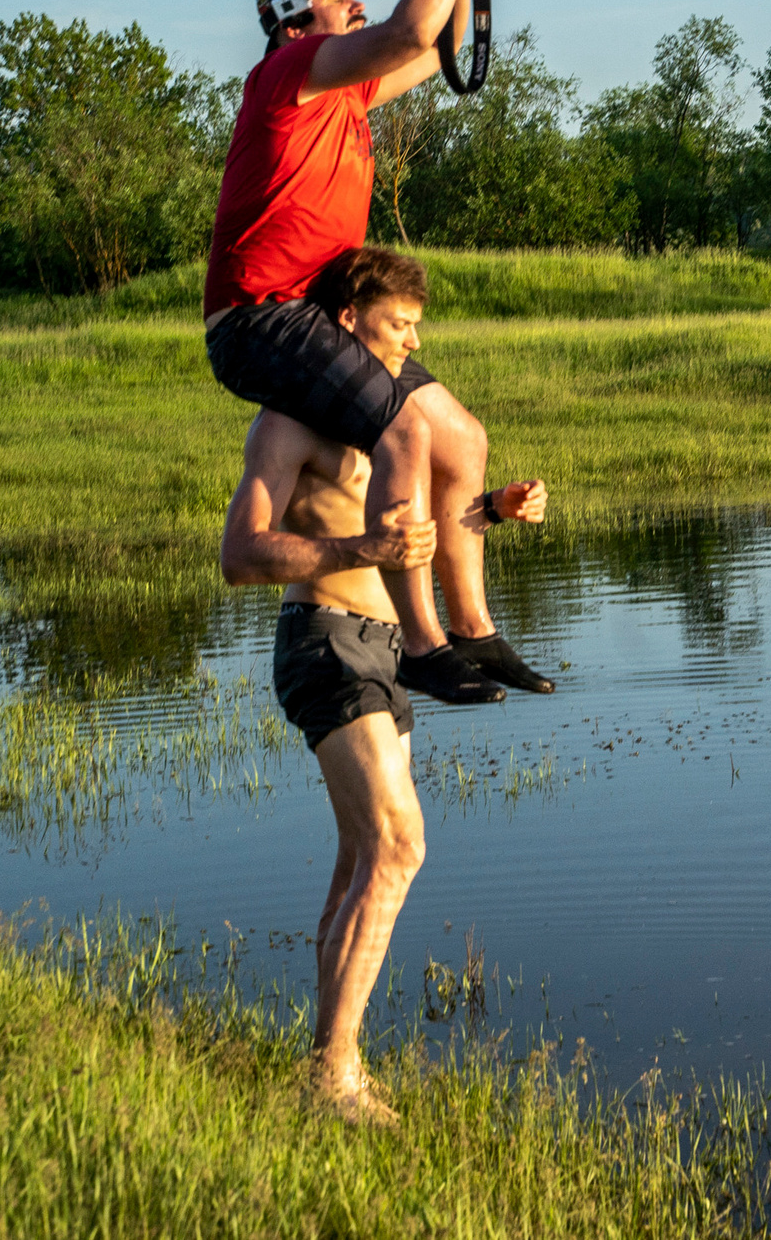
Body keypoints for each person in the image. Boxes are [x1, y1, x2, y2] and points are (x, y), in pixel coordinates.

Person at [219, 247, 548, 1124]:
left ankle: (323, 1066)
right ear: (345, 323)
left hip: (385, 645)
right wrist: (354, 551)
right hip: (323, 638)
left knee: (364, 855)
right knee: (400, 846)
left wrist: (495, 511)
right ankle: (334, 1077)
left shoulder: (395, 428)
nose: (410, 343)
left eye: (415, 328)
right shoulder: (287, 425)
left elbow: (426, 529)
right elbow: (239, 553)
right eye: (397, 324)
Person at [204, 0, 548, 700]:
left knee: (460, 440)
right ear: (295, 27)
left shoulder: (343, 98)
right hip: (259, 317)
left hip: (317, 313)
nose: (355, 5)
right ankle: (424, 645)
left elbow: (435, 47)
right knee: (403, 436)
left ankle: (472, 628)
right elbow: (402, 32)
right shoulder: (287, 77)